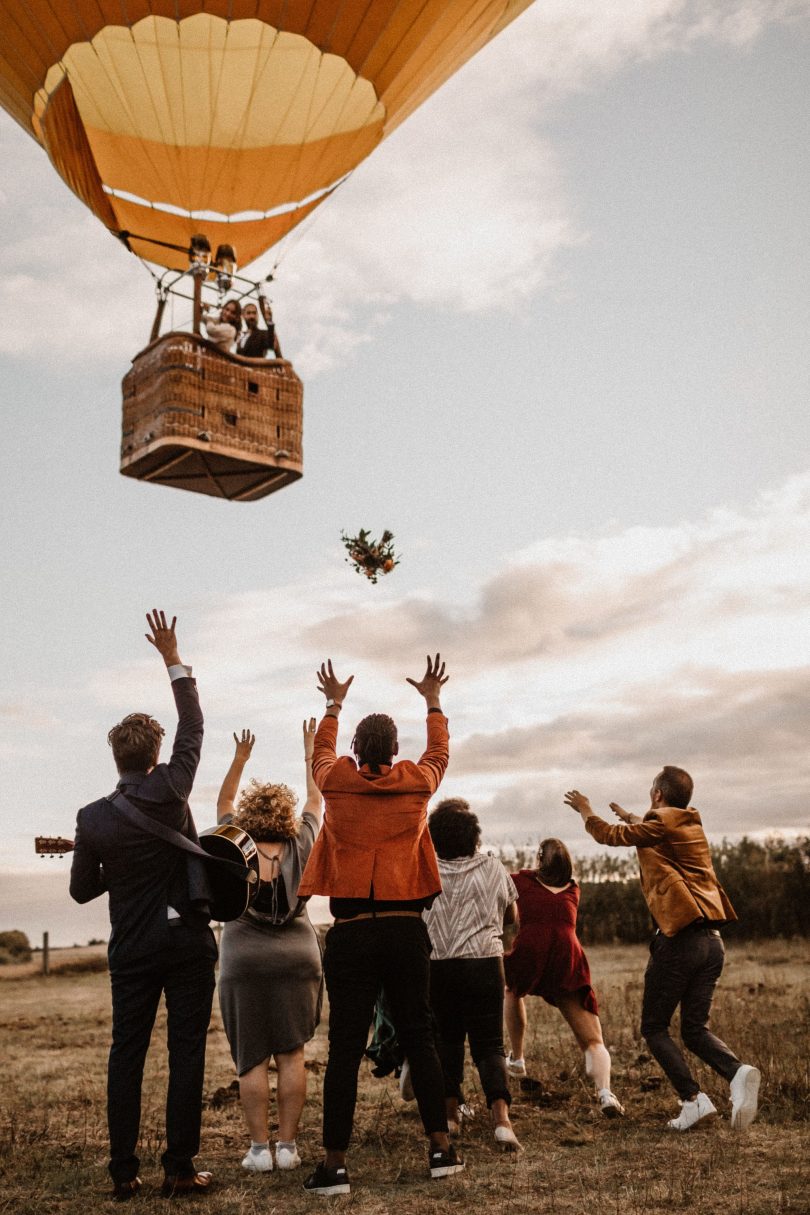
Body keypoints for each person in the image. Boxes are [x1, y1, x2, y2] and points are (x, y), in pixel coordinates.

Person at [297, 655, 464, 1195]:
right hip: (405, 929)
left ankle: (335, 1167)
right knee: (420, 1034)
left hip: (350, 933)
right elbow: (438, 753)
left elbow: (321, 755)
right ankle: (441, 1151)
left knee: (345, 1045)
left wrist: (332, 704)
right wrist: (433, 701)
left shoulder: (337, 783)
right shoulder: (415, 784)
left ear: (356, 751)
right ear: (394, 753)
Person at [69, 611, 217, 1201]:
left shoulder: (92, 818)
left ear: (117, 762)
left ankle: (124, 1173)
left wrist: (114, 868)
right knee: (186, 1055)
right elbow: (195, 723)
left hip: (131, 948)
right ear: (156, 757)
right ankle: (179, 1170)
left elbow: (82, 890)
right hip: (185, 945)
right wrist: (172, 657)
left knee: (125, 1055)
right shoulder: (172, 788)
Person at [565, 767, 761, 1131]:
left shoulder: (658, 823)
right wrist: (631, 816)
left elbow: (611, 836)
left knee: (654, 1027)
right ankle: (737, 1072)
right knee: (693, 1029)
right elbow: (649, 832)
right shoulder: (688, 826)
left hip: (680, 941)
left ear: (658, 794)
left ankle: (693, 1100)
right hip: (712, 943)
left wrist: (585, 810)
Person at [216, 719, 323, 1175]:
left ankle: (259, 1150)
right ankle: (289, 1146)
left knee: (252, 1055)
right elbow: (316, 799)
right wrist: (309, 753)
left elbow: (223, 802)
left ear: (247, 816)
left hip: (244, 956)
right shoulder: (302, 840)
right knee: (292, 1053)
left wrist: (240, 759)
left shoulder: (231, 843)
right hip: (299, 955)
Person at [422, 798, 521, 1149]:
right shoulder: (494, 868)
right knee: (490, 1044)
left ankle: (450, 1116)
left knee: (446, 1042)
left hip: (438, 965)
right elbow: (512, 919)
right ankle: (501, 1120)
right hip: (484, 964)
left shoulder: (424, 867)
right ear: (474, 837)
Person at [503, 838, 624, 1118]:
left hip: (532, 947)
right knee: (593, 1040)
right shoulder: (573, 889)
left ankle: (518, 1057)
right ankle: (605, 1093)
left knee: (512, 990)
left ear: (539, 860)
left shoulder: (521, 881)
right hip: (565, 953)